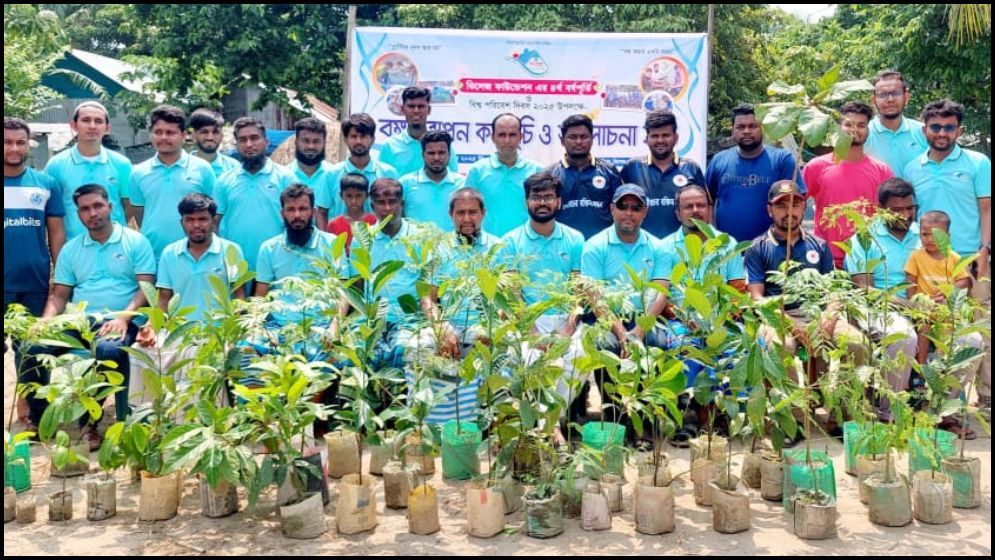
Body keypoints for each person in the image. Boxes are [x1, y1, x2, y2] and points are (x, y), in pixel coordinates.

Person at [27, 185, 156, 449]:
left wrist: (123, 318)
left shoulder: (135, 242)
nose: (93, 213)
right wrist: (46, 320)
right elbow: (59, 295)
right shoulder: (72, 250)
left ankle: (90, 421)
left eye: (98, 206)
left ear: (110, 207)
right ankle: (39, 420)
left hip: (122, 320)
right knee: (31, 347)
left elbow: (146, 287)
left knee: (107, 351)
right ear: (78, 215)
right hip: (80, 320)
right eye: (85, 209)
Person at [904, 99, 991, 411]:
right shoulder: (912, 167)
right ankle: (936, 397)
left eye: (949, 127)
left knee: (980, 327)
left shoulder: (978, 163)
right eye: (936, 126)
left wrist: (985, 249)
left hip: (970, 260)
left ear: (959, 131)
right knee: (932, 328)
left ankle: (987, 395)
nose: (942, 133)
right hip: (929, 265)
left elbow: (987, 209)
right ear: (924, 129)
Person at [406, 188, 500, 426]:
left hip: (483, 325)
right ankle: (425, 423)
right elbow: (427, 297)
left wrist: (491, 326)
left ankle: (486, 423)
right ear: (451, 215)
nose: (467, 218)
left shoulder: (498, 248)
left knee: (506, 350)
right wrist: (441, 327)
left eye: (473, 212)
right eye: (460, 213)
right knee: (416, 346)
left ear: (483, 213)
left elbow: (506, 299)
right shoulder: (439, 249)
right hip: (448, 324)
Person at [501, 171, 586, 412]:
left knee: (579, 357)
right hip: (528, 320)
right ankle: (547, 425)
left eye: (548, 197)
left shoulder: (575, 239)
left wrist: (567, 330)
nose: (542, 203)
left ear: (559, 201)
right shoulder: (511, 241)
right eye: (535, 197)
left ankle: (552, 419)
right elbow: (513, 295)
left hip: (565, 319)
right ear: (526, 201)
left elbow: (579, 293)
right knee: (530, 360)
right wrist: (533, 332)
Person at [843, 178, 922, 421]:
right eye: (897, 210)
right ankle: (889, 412)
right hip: (879, 308)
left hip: (923, 304)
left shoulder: (924, 234)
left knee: (970, 339)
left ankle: (942, 412)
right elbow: (864, 289)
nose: (906, 215)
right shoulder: (864, 239)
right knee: (904, 335)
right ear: (881, 209)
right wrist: (907, 306)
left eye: (910, 208)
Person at [904, 210, 983, 439]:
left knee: (961, 340)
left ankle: (944, 404)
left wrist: (949, 292)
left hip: (947, 311)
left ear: (947, 236)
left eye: (935, 235)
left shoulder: (953, 258)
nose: (929, 239)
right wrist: (919, 301)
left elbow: (964, 281)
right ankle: (921, 372)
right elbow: (910, 284)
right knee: (925, 326)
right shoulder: (916, 256)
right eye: (924, 234)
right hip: (924, 309)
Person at [802, 101, 894, 268]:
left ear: (868, 129)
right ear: (839, 128)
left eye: (861, 125)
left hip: (868, 260)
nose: (855, 129)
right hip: (826, 259)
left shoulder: (882, 170)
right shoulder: (816, 167)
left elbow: (890, 215)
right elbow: (795, 205)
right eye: (848, 124)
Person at [706, 103, 803, 242]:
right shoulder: (719, 160)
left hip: (771, 247)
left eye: (753, 126)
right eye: (740, 127)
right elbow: (707, 201)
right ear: (732, 131)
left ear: (762, 128)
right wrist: (711, 235)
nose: (746, 131)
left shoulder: (782, 160)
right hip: (727, 248)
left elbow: (798, 202)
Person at [130, 105, 215, 258]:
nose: (163, 137)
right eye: (158, 132)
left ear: (183, 135)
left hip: (195, 255)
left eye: (170, 132)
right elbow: (139, 215)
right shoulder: (138, 172)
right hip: (153, 255)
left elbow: (212, 213)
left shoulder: (202, 169)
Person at [214, 117, 295, 272]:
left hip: (276, 264)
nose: (249, 144)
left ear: (266, 142)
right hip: (235, 267)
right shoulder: (224, 181)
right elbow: (214, 223)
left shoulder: (285, 178)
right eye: (242, 140)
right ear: (237, 145)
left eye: (254, 138)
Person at [4, 117, 66, 316]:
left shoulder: (46, 184)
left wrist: (61, 279)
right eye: (7, 142)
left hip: (35, 283)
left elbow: (56, 234)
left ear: (28, 145)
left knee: (34, 336)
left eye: (20, 142)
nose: (14, 148)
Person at [44, 101, 132, 238]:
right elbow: (51, 210)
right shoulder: (56, 165)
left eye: (98, 121)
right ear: (74, 125)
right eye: (86, 120)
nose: (92, 126)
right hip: (73, 244)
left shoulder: (122, 164)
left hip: (115, 243)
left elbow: (129, 207)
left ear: (107, 128)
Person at [621, 109, 704, 239]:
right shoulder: (632, 168)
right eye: (654, 136)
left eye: (665, 135)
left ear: (675, 138)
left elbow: (705, 211)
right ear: (646, 139)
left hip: (682, 246)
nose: (660, 140)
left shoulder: (691, 168)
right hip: (642, 246)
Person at [464, 113, 543, 236]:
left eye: (512, 135)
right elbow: (467, 212)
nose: (507, 140)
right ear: (493, 138)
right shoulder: (477, 172)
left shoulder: (536, 171)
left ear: (521, 137)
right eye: (501, 135)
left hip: (526, 244)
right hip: (488, 245)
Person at [546, 114, 622, 239]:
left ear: (592, 139)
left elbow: (620, 210)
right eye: (572, 137)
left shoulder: (609, 171)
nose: (579, 142)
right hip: (564, 245)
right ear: (562, 140)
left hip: (602, 246)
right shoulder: (550, 174)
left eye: (584, 137)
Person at [318, 113, 397, 226]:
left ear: (372, 139)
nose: (358, 141)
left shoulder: (388, 173)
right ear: (345, 139)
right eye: (354, 136)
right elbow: (322, 212)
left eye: (363, 136)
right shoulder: (331, 174)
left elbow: (397, 209)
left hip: (379, 237)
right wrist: (325, 237)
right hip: (340, 236)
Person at [378, 86, 459, 177]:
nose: (416, 111)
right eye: (411, 106)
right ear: (402, 109)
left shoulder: (442, 146)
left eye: (421, 106)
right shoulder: (389, 146)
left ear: (429, 110)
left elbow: (453, 179)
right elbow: (383, 180)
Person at [864, 70, 928, 178]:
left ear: (906, 97)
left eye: (896, 93)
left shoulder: (924, 132)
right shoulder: (863, 135)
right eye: (882, 95)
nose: (890, 99)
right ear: (873, 100)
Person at [399, 130, 464, 230]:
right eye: (431, 153)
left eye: (441, 153)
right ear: (423, 155)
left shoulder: (462, 184)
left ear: (449, 155)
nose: (436, 158)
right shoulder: (405, 184)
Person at [325, 173, 377, 247]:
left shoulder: (374, 221)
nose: (353, 201)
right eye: (349, 196)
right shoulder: (333, 224)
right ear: (341, 196)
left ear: (367, 196)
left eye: (358, 196)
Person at [188, 108, 240, 177]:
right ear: (194, 136)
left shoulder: (234, 167)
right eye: (204, 132)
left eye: (215, 132)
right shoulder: (182, 167)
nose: (210, 137)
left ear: (222, 136)